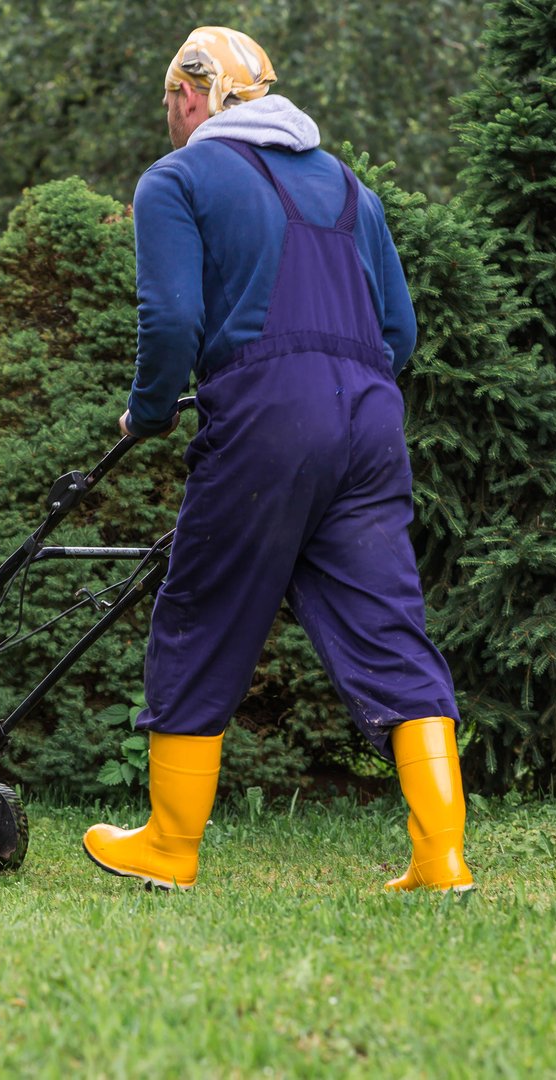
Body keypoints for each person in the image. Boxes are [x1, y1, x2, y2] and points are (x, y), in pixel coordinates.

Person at [82, 27, 473, 893]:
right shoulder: (350, 187)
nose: (170, 115)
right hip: (371, 421)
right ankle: (440, 854)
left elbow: (172, 322)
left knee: (202, 611)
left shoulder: (177, 179)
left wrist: (150, 411)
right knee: (387, 624)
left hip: (268, 418)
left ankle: (170, 846)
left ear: (192, 94)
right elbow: (400, 332)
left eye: (170, 100)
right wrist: (336, 383)